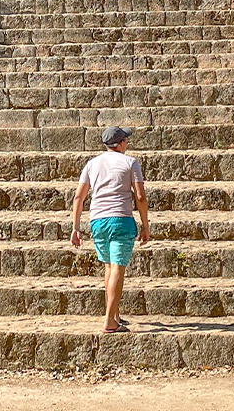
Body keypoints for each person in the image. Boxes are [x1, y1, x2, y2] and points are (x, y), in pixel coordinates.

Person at [69, 126, 149, 333]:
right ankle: (110, 321)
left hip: (97, 221)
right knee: (117, 268)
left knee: (108, 266)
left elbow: (79, 196)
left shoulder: (92, 164)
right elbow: (140, 196)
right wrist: (145, 226)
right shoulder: (130, 163)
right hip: (121, 220)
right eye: (126, 141)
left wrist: (75, 228)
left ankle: (113, 313)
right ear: (121, 143)